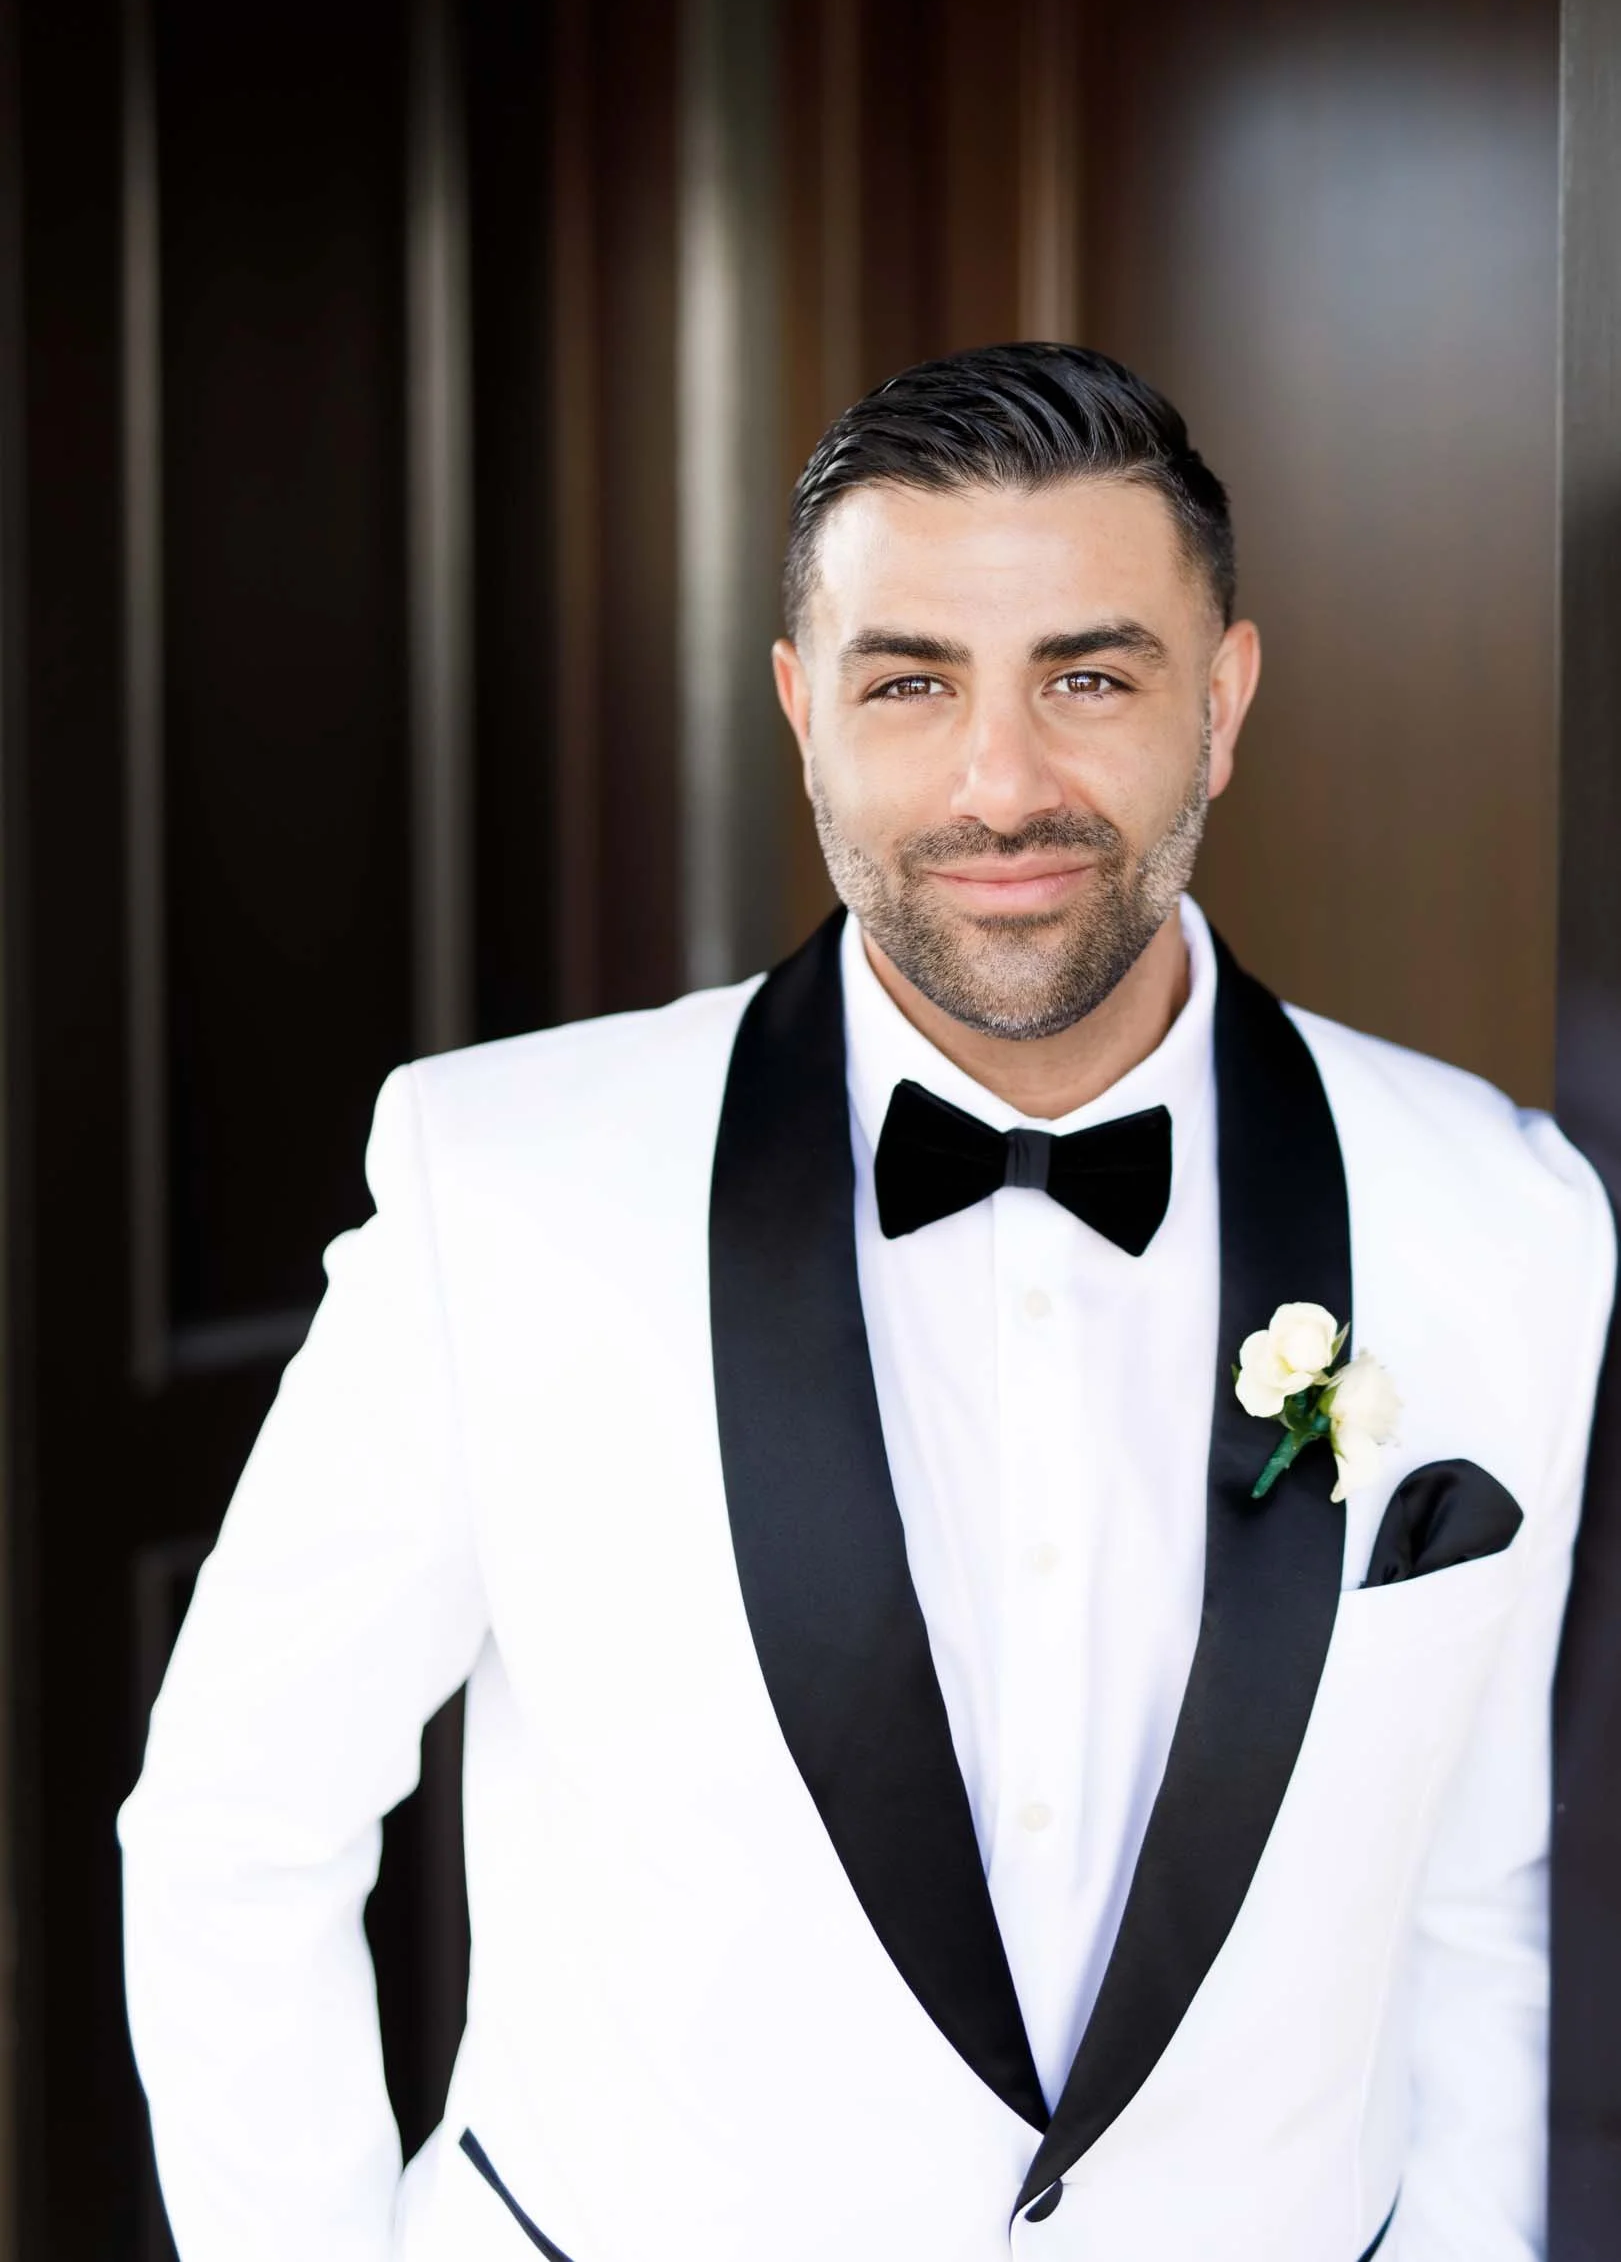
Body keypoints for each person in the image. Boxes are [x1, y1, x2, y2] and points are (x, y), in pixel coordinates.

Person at [119, 344, 1615, 2262]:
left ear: (1224, 702)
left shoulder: (1506, 1217)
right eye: (910, 682)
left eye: (1091, 675)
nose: (1004, 784)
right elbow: (239, 1839)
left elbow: (1493, 1902)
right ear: (802, 717)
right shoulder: (494, 1190)